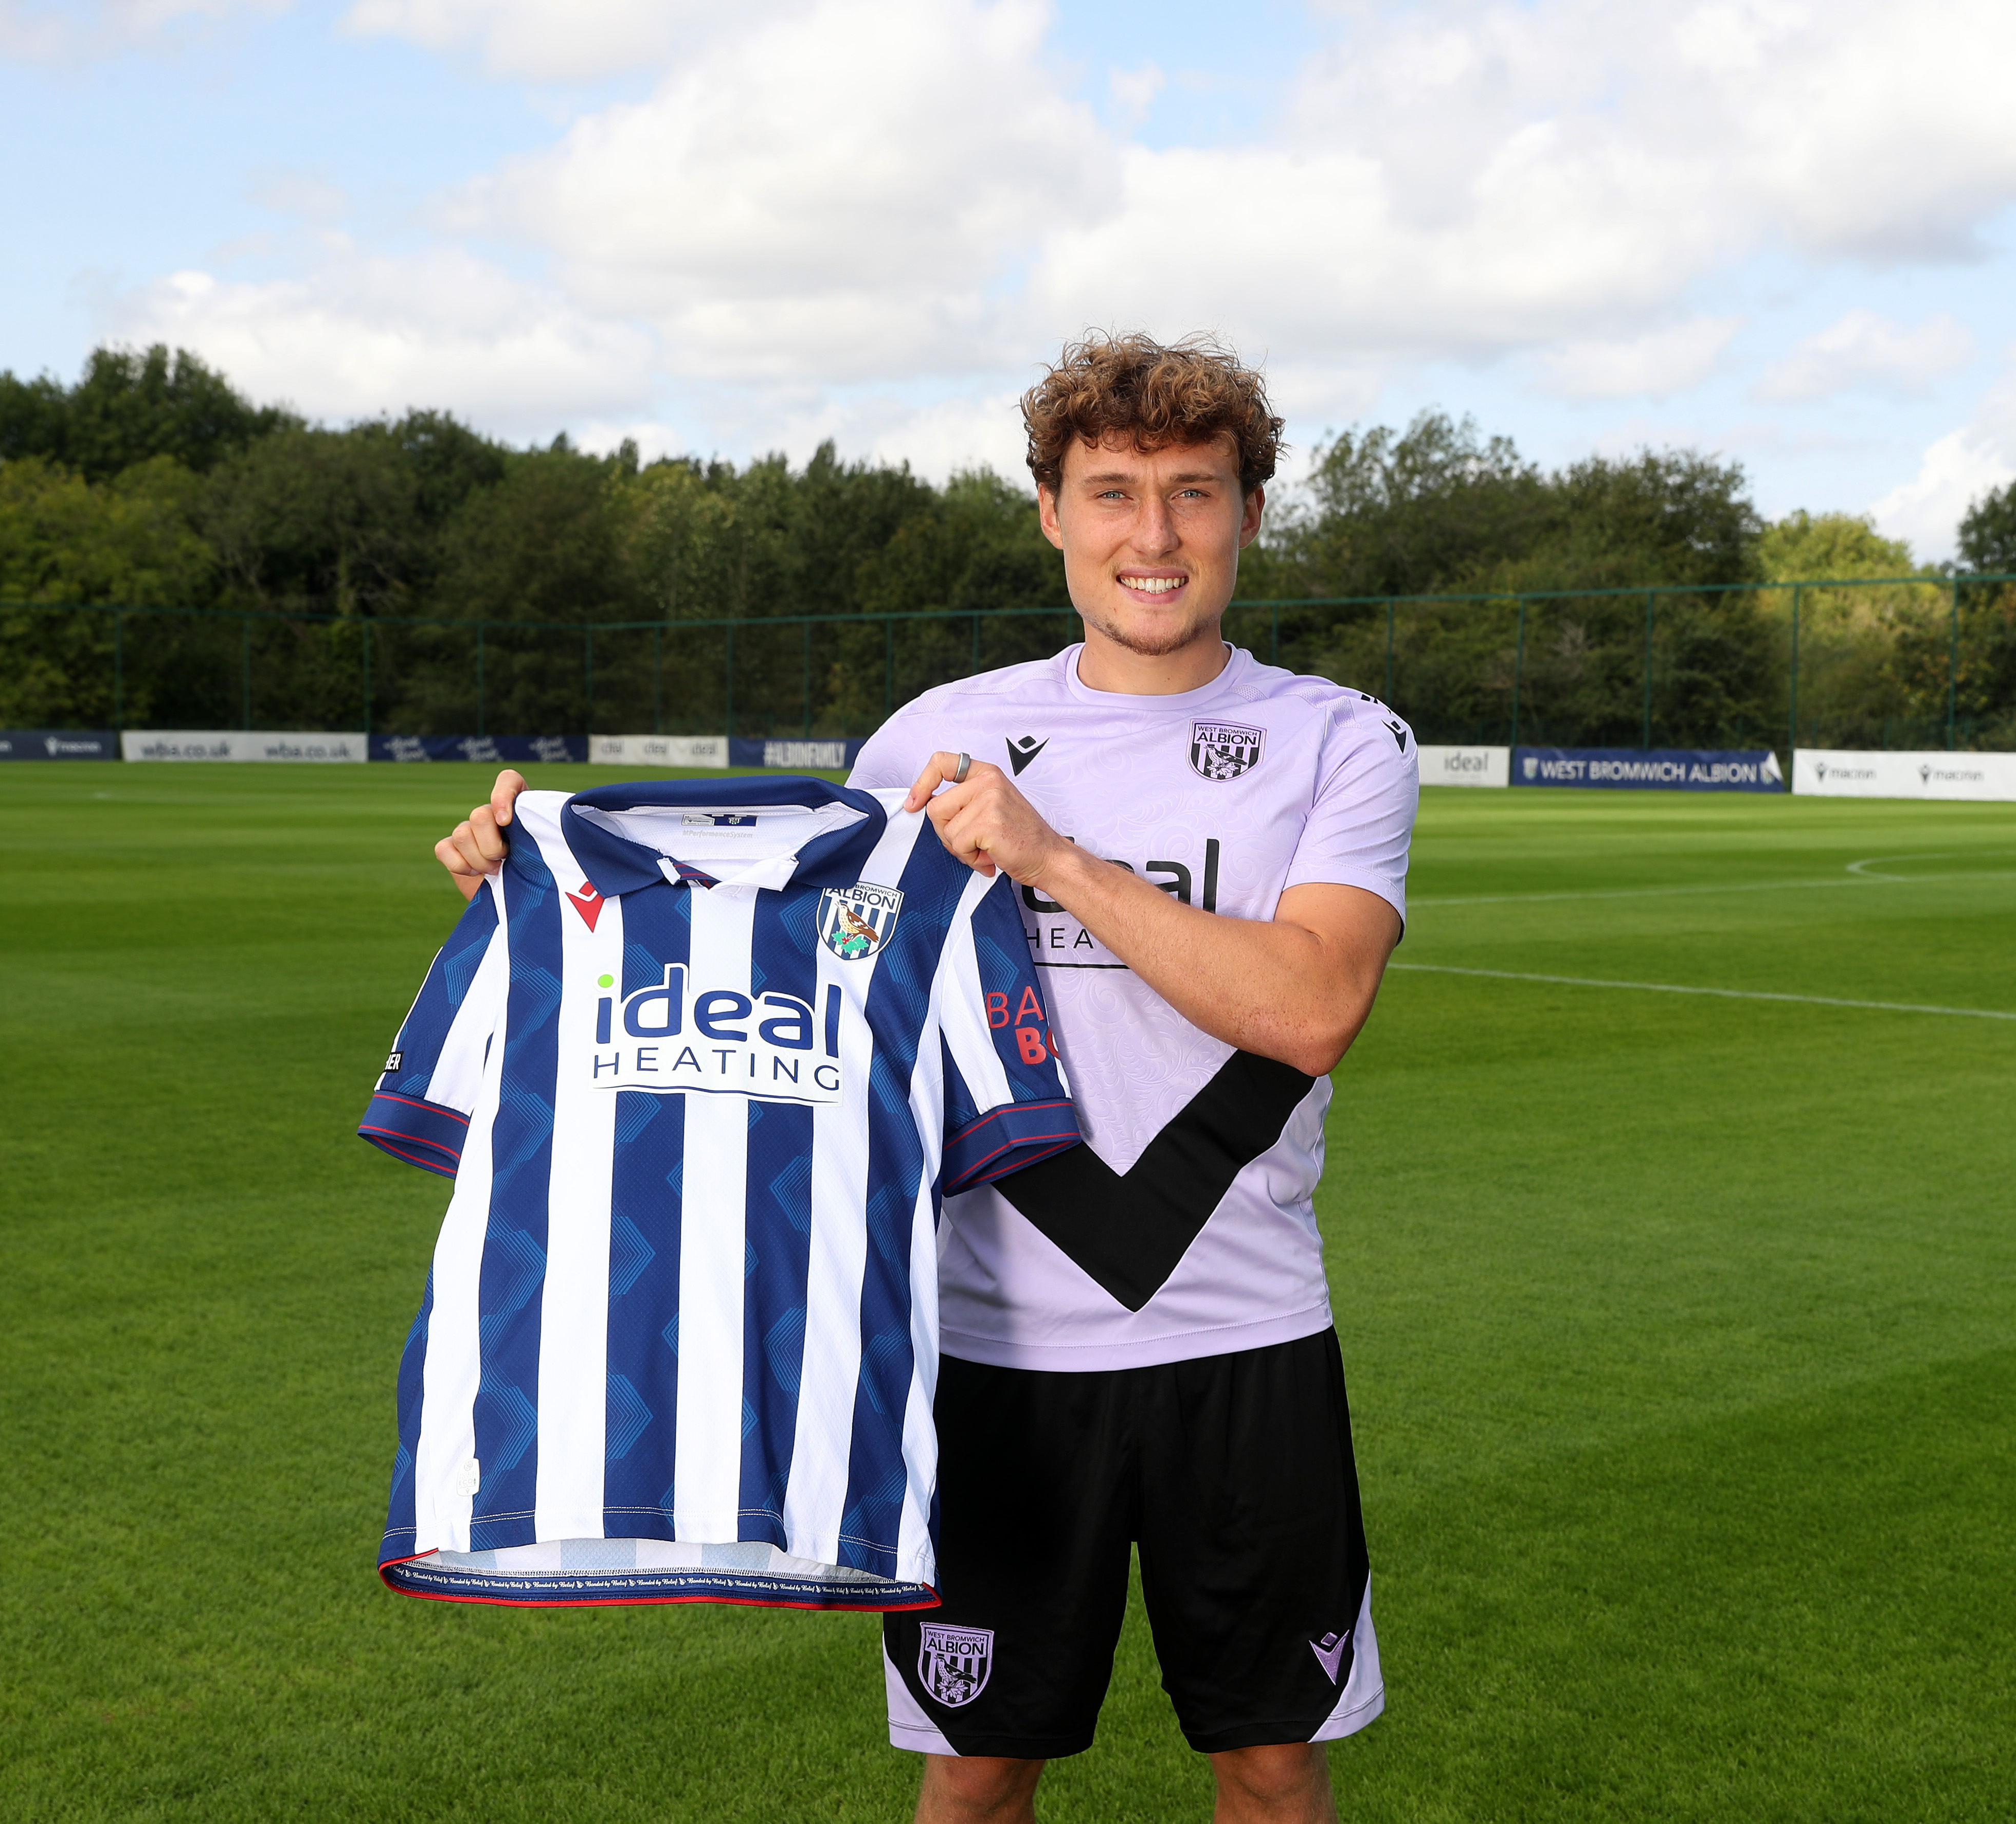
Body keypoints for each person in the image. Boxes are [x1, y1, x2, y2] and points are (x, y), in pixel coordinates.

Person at [434, 334, 1419, 1824]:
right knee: (975, 1769)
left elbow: (1315, 1004)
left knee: (1275, 1764)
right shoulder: (929, 742)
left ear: (1250, 515)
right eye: (1112, 493)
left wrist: (1057, 861)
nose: (1152, 537)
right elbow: (767, 961)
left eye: (1193, 495)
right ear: (1051, 513)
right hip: (984, 1354)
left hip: (1248, 1336)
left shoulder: (1339, 740)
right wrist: (536, 895)